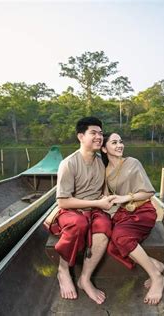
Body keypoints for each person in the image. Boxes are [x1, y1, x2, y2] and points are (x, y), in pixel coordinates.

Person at [50, 117, 116, 304]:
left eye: (101, 133)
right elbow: (63, 202)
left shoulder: (101, 162)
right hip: (72, 210)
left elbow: (102, 190)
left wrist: (106, 199)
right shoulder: (69, 164)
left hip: (95, 210)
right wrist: (97, 204)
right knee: (78, 224)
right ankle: (63, 270)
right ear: (81, 136)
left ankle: (85, 279)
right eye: (93, 133)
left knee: (104, 226)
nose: (99, 137)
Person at [100, 132, 164, 305]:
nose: (120, 145)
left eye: (121, 142)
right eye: (114, 143)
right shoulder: (104, 172)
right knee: (108, 241)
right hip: (124, 213)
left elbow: (149, 192)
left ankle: (156, 277)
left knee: (121, 237)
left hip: (143, 210)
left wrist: (125, 198)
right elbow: (106, 198)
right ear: (104, 148)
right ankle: (154, 264)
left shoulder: (132, 163)